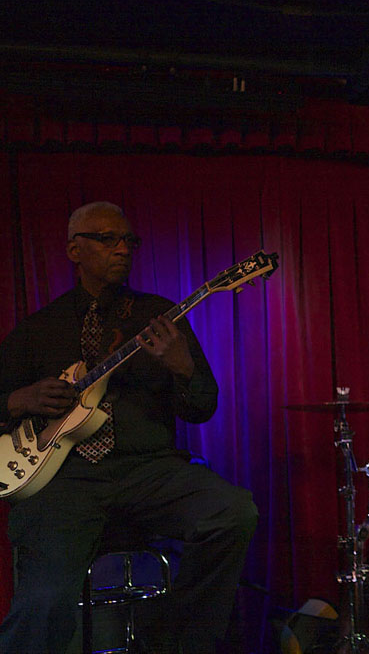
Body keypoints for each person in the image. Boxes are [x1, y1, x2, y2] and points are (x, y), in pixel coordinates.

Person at [0, 202, 258, 654]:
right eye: (107, 239)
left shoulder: (160, 316)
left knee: (233, 512)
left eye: (128, 241)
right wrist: (19, 400)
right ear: (74, 250)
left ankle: (176, 644)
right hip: (66, 481)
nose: (122, 249)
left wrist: (183, 369)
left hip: (150, 472)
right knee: (44, 600)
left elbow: (203, 408)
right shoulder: (39, 329)